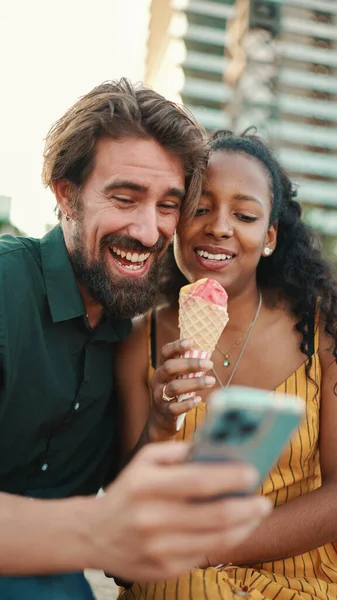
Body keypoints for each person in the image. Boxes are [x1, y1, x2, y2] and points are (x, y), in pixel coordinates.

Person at [0, 87, 271, 600]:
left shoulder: (131, 332)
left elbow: (128, 507)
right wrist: (93, 528)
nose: (149, 232)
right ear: (65, 193)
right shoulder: (5, 291)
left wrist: (162, 421)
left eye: (168, 206)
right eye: (124, 199)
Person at [115, 129, 337, 599]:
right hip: (178, 578)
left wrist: (216, 545)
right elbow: (123, 524)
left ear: (270, 235)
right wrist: (159, 422)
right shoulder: (142, 345)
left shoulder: (324, 333)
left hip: (301, 576)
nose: (219, 226)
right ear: (174, 222)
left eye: (245, 214)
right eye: (200, 207)